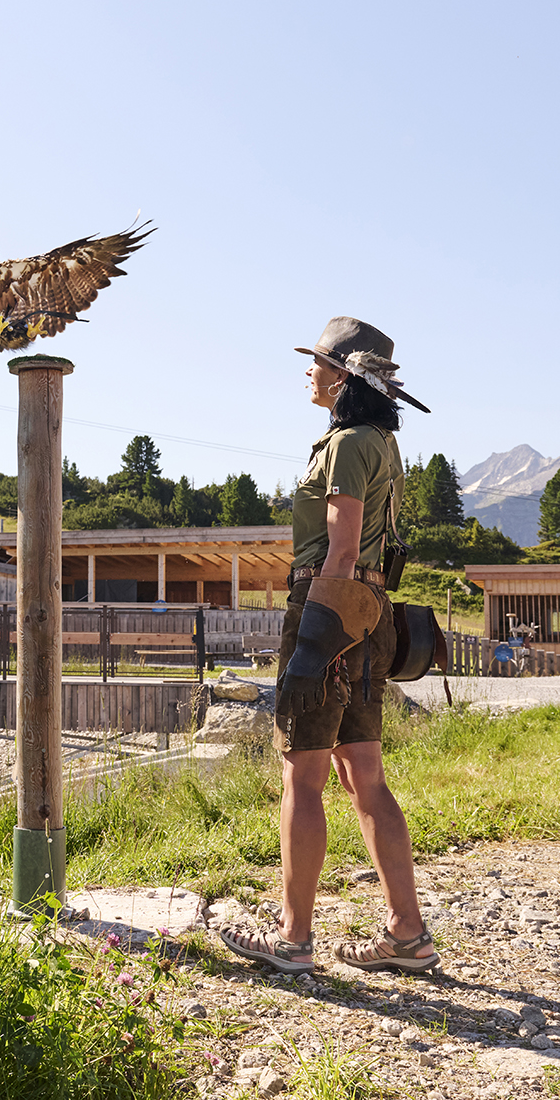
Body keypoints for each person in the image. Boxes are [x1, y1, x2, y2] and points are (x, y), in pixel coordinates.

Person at [220, 316, 439, 974]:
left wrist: (317, 637)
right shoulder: (380, 442)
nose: (309, 371)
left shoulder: (346, 444)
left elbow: (341, 548)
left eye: (318, 362)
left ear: (343, 375)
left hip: (332, 606)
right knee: (363, 775)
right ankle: (406, 934)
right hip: (372, 613)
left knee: (304, 774)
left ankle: (293, 941)